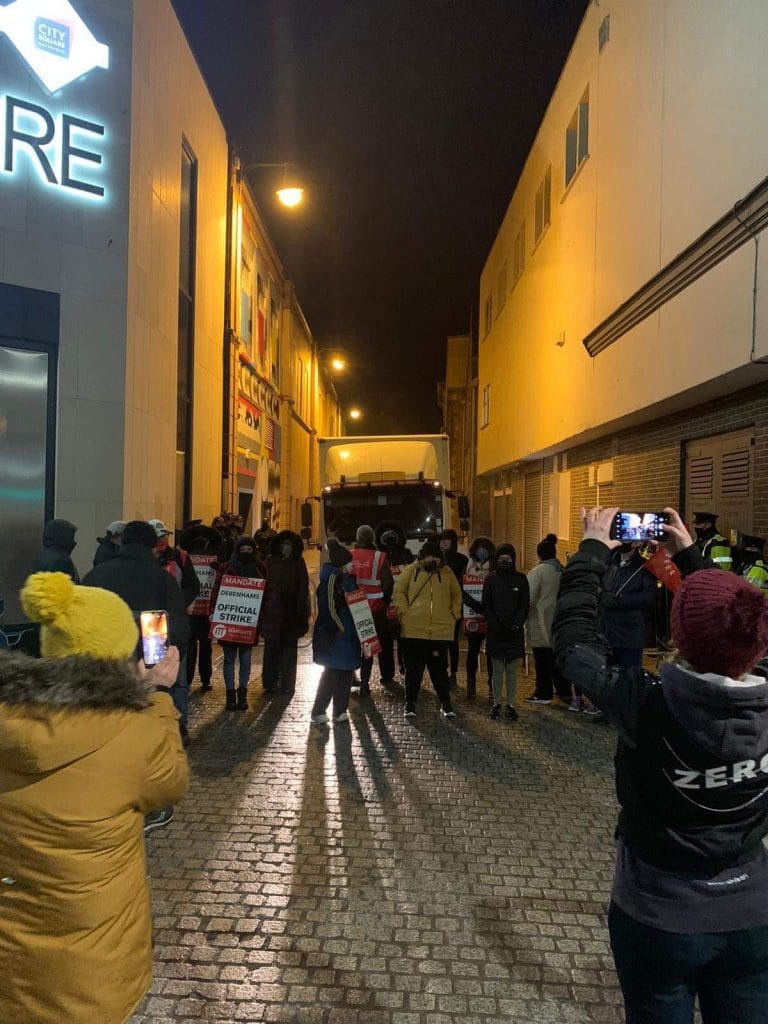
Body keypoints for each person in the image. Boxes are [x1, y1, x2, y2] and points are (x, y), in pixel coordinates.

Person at [553, 505, 768, 1024]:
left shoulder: (646, 703)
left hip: (658, 913)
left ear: (679, 632)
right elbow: (741, 624)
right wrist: (695, 558)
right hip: (753, 912)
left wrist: (591, 552)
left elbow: (574, 643)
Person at [0, 571, 188, 1024]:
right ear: (122, 658)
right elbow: (170, 783)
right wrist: (157, 694)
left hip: (11, 965)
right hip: (93, 973)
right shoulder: (134, 731)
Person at [83, 520, 191, 743]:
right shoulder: (163, 580)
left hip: (106, 662)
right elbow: (179, 628)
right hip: (150, 659)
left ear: (123, 542)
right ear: (152, 545)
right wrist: (171, 656)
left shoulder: (98, 575)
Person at [393, 539, 461, 719]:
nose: (434, 560)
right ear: (423, 557)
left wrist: (454, 614)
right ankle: (410, 703)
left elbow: (456, 595)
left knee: (439, 671)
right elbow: (398, 591)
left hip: (440, 632)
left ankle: (445, 703)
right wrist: (404, 613)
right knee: (413, 671)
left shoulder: (447, 573)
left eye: (437, 557)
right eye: (430, 556)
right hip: (413, 630)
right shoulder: (411, 571)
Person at [310, 537, 361, 724]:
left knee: (345, 674)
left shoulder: (344, 579)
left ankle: (339, 711)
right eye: (350, 563)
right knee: (331, 674)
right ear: (342, 563)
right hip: (337, 637)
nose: (352, 566)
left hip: (347, 636)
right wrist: (339, 628)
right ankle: (319, 711)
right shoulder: (333, 580)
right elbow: (328, 606)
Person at [212, 535, 263, 711]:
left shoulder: (259, 568)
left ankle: (242, 693)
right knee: (228, 659)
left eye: (249, 550)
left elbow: (265, 594)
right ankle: (230, 694)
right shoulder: (226, 568)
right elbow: (216, 590)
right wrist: (213, 612)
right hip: (229, 621)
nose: (246, 553)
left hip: (249, 623)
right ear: (237, 551)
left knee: (246, 658)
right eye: (243, 550)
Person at [481, 544, 529, 721]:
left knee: (511, 669)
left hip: (513, 633)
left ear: (513, 559)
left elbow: (524, 605)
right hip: (496, 632)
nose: (504, 562)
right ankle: (496, 703)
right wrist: (495, 626)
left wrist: (516, 626)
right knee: (497, 669)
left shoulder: (521, 579)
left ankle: (510, 704)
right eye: (501, 559)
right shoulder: (490, 579)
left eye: (508, 559)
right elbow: (486, 604)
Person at [260, 530, 310, 694]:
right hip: (272, 612)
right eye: (283, 545)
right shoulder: (269, 561)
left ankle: (287, 684)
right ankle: (270, 682)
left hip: (291, 613)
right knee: (271, 649)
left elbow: (304, 586)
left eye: (289, 545)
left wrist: (300, 609)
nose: (286, 548)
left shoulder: (298, 562)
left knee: (289, 650)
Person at [524, 533, 570, 706]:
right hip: (560, 623)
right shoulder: (563, 571)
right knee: (558, 659)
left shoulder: (537, 572)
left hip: (541, 621)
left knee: (542, 660)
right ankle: (564, 690)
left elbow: (529, 598)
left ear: (539, 554)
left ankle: (543, 692)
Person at [178, 523, 224, 692]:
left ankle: (202, 678)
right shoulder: (185, 558)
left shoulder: (213, 558)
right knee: (197, 646)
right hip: (194, 607)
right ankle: (196, 679)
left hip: (204, 607)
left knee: (203, 646)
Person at [600, 541, 657, 672]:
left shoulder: (645, 567)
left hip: (629, 637)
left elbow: (649, 597)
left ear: (636, 543)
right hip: (606, 634)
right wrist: (602, 595)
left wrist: (620, 601)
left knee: (629, 678)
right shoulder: (609, 563)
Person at [352, 524, 394, 695]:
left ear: (358, 538)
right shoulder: (379, 557)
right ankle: (370, 681)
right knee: (373, 646)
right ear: (372, 539)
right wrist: (384, 599)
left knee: (355, 645)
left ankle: (355, 679)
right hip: (376, 610)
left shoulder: (350, 555)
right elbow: (388, 582)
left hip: (355, 609)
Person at [377, 520, 414, 678]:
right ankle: (387, 672)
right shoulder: (379, 556)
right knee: (385, 640)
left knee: (404, 638)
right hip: (385, 602)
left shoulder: (406, 554)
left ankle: (405, 666)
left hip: (402, 602)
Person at [463, 535, 497, 698]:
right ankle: (471, 683)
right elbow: (464, 591)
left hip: (489, 616)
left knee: (490, 652)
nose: (481, 551)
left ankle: (491, 686)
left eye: (485, 548)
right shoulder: (468, 566)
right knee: (472, 651)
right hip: (472, 616)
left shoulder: (494, 569)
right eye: (479, 548)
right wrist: (473, 604)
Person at [439, 529, 469, 687]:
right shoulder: (437, 559)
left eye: (447, 539)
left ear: (453, 542)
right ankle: (443, 670)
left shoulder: (461, 559)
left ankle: (454, 672)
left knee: (453, 641)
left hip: (454, 605)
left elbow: (462, 581)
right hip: (439, 605)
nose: (444, 542)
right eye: (442, 539)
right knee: (441, 641)